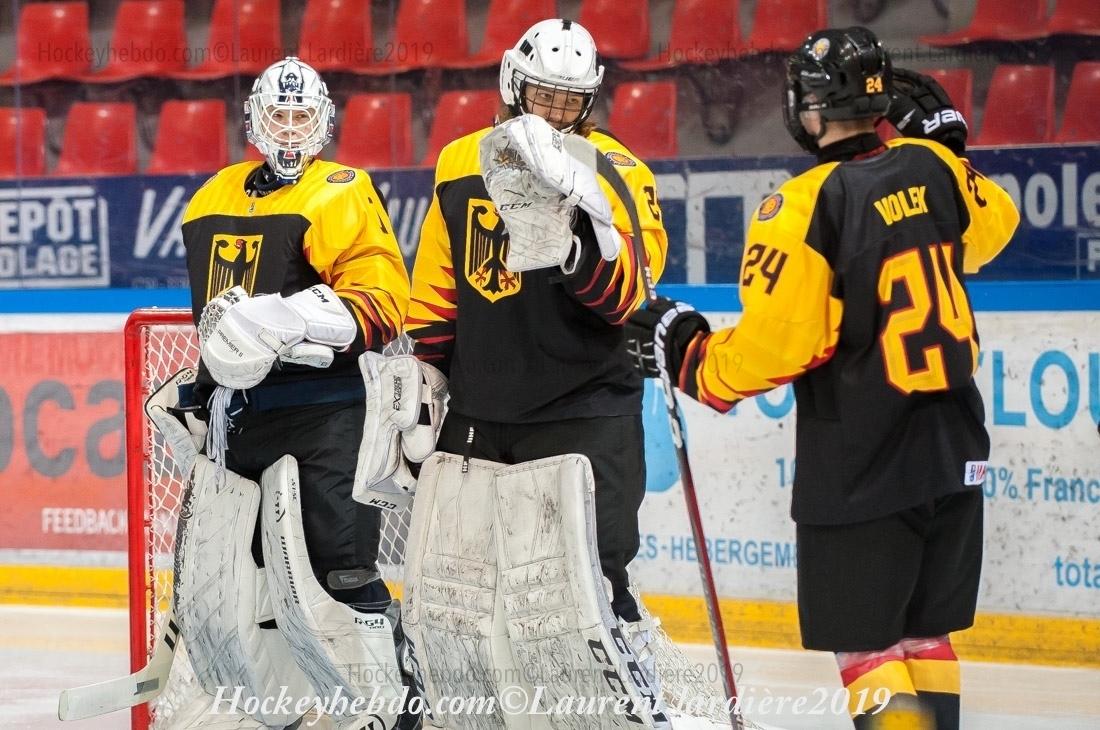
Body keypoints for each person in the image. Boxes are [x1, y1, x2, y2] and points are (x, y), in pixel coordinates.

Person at [627, 27, 1019, 730]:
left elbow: (776, 350)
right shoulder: (933, 166)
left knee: (868, 648)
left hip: (865, 461)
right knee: (925, 635)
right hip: (955, 451)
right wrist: (952, 152)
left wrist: (687, 350)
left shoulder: (804, 206)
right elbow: (996, 226)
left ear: (807, 109)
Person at [388, 17, 748, 728]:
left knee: (595, 584)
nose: (554, 111)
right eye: (542, 95)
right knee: (458, 588)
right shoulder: (459, 162)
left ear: (589, 100)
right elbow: (437, 287)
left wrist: (576, 245)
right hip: (481, 414)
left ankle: (634, 714)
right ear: (512, 83)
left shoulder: (617, 169)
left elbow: (631, 295)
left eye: (568, 99)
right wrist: (425, 376)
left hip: (586, 413)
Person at [157, 56, 419, 728]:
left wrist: (295, 321)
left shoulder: (340, 190)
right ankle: (279, 710)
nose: (292, 128)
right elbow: (215, 320)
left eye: (303, 115)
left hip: (327, 416)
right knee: (241, 581)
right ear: (255, 120)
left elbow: (384, 302)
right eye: (280, 114)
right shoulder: (210, 197)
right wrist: (203, 390)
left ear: (324, 121)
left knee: (339, 570)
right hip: (240, 419)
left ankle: (394, 708)